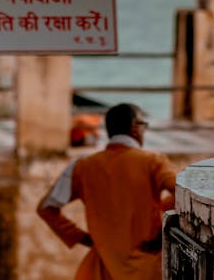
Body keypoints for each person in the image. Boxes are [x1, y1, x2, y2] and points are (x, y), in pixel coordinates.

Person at [37, 102, 176, 280]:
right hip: (147, 264)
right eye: (143, 125)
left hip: (104, 265)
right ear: (134, 128)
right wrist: (162, 220)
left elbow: (46, 208)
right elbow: (183, 191)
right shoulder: (153, 162)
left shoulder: (83, 167)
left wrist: (84, 238)